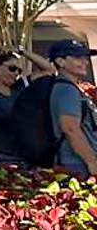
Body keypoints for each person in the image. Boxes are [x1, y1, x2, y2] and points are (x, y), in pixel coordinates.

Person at [42, 39, 97, 178]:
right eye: (78, 58)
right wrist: (91, 161)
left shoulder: (70, 88)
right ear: (60, 61)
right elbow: (70, 128)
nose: (85, 62)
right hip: (77, 165)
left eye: (85, 58)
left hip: (77, 163)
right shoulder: (66, 90)